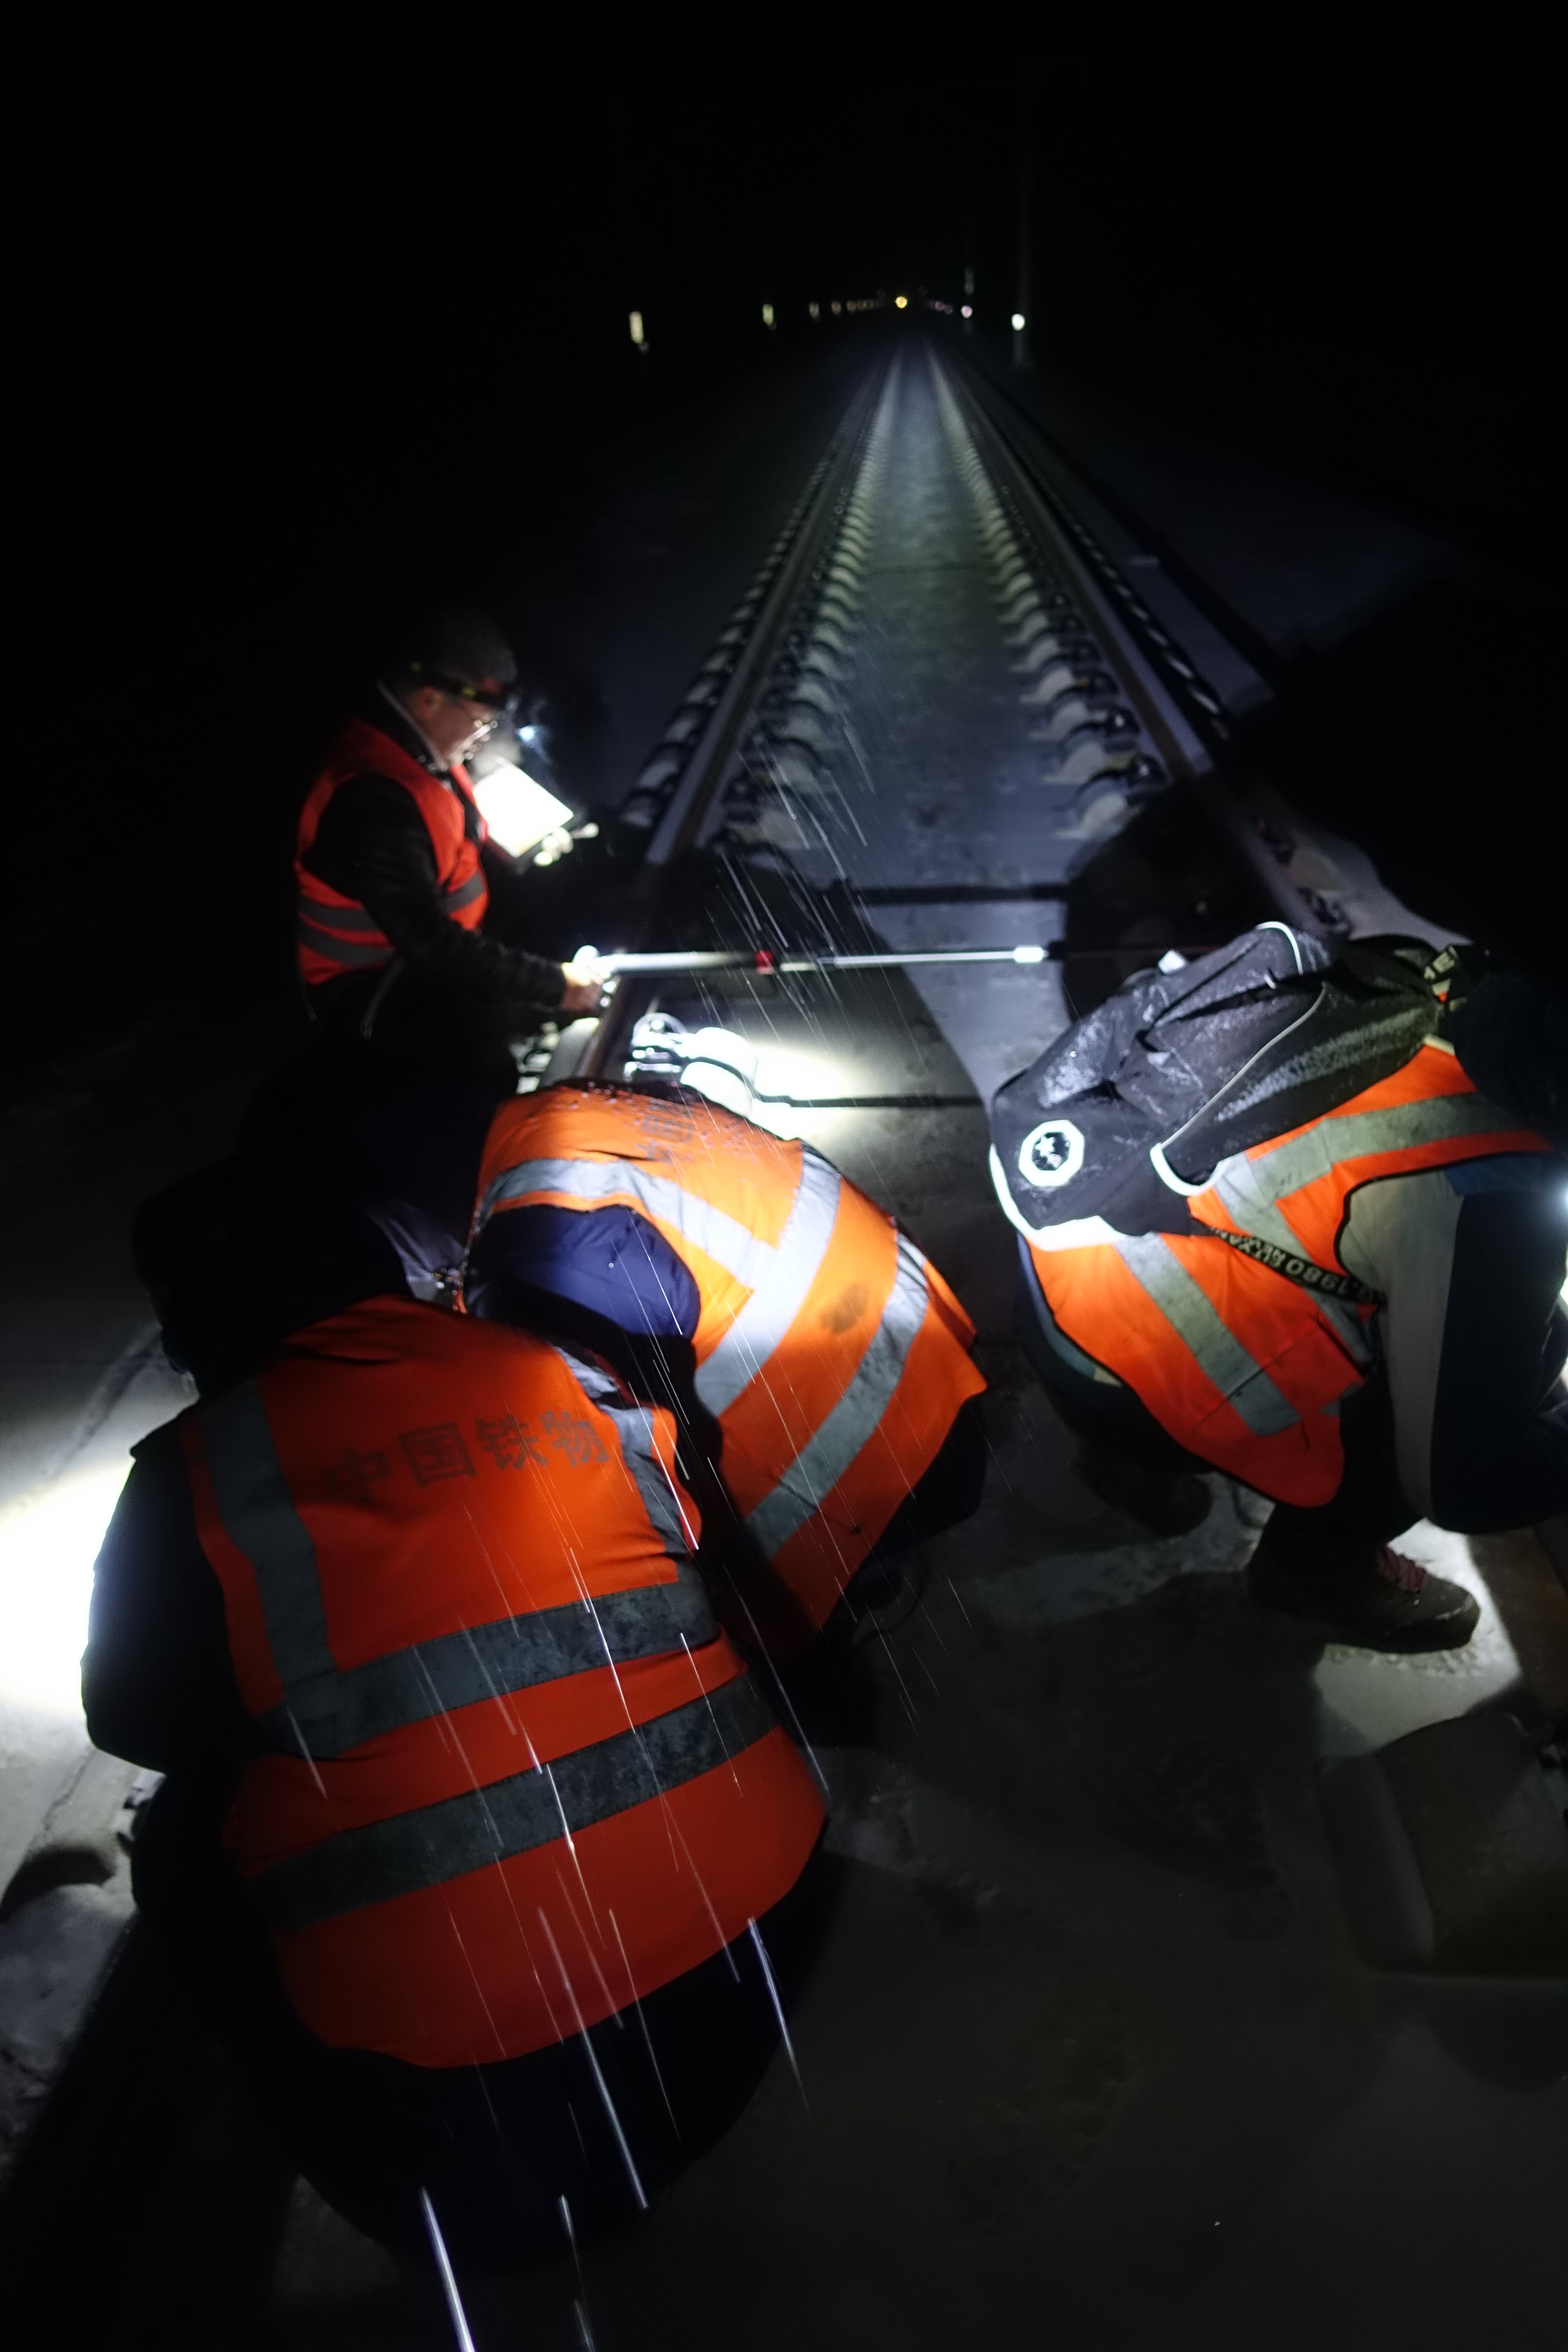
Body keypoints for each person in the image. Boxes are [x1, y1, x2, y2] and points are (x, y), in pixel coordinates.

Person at [82, 1165, 829, 2273]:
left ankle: (410, 2198)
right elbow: (678, 1559)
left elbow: (136, 1719)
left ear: (190, 1319)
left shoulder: (197, 1473)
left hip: (484, 2134)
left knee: (185, 1838)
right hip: (760, 1963)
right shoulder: (570, 1372)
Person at [236, 1052, 989, 1647]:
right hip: (932, 1374)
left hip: (881, 1462)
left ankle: (848, 1597)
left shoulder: (533, 1251)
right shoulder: (561, 1117)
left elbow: (616, 1483)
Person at [990, 926, 1568, 1651]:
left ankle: (1127, 1468)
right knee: (1536, 1350)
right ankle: (1315, 1569)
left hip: (1060, 1276)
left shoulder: (1418, 976)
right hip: (1130, 1378)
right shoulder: (1498, 1195)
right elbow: (1464, 1487)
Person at [295, 606, 604, 1093]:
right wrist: (555, 985)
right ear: (429, 701)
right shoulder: (372, 801)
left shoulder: (417, 744)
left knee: (555, 895)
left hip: (433, 942)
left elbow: (454, 817)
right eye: (480, 724)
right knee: (487, 1076)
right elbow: (429, 942)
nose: (483, 739)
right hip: (372, 983)